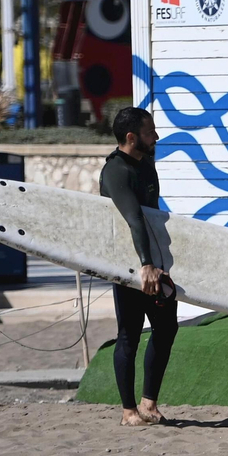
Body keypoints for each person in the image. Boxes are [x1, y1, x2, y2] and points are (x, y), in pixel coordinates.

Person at [100, 105, 178, 427]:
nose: (156, 136)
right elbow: (134, 219)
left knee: (166, 328)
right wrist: (145, 265)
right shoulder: (116, 171)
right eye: (149, 132)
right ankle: (128, 411)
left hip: (154, 264)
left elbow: (154, 218)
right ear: (131, 137)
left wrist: (161, 263)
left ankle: (149, 403)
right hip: (130, 266)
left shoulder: (146, 165)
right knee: (129, 336)